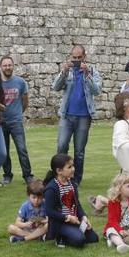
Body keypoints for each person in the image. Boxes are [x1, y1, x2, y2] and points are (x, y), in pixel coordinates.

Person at [51, 45, 102, 185]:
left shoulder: (92, 71)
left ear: (84, 57)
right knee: (61, 146)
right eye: (74, 58)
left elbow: (97, 91)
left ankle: (76, 180)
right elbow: (55, 87)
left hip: (84, 116)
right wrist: (63, 72)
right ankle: (59, 177)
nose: (77, 60)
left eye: (79, 58)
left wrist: (87, 75)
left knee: (79, 151)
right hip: (67, 115)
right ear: (70, 56)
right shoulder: (67, 71)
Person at [42, 153, 99, 248]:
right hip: (60, 223)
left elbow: (77, 204)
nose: (73, 169)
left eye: (73, 166)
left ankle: (69, 235)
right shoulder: (51, 188)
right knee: (80, 240)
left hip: (74, 220)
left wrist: (83, 217)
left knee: (93, 238)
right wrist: (67, 218)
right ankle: (60, 238)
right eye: (69, 167)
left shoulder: (71, 184)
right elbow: (49, 211)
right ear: (59, 171)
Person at [0, 56, 34, 185]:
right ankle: (7, 175)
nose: (7, 67)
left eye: (10, 65)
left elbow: (25, 101)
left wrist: (18, 113)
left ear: (13, 66)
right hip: (1, 122)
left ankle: (28, 175)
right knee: (4, 150)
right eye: (5, 65)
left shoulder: (20, 82)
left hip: (16, 121)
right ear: (0, 67)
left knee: (22, 149)